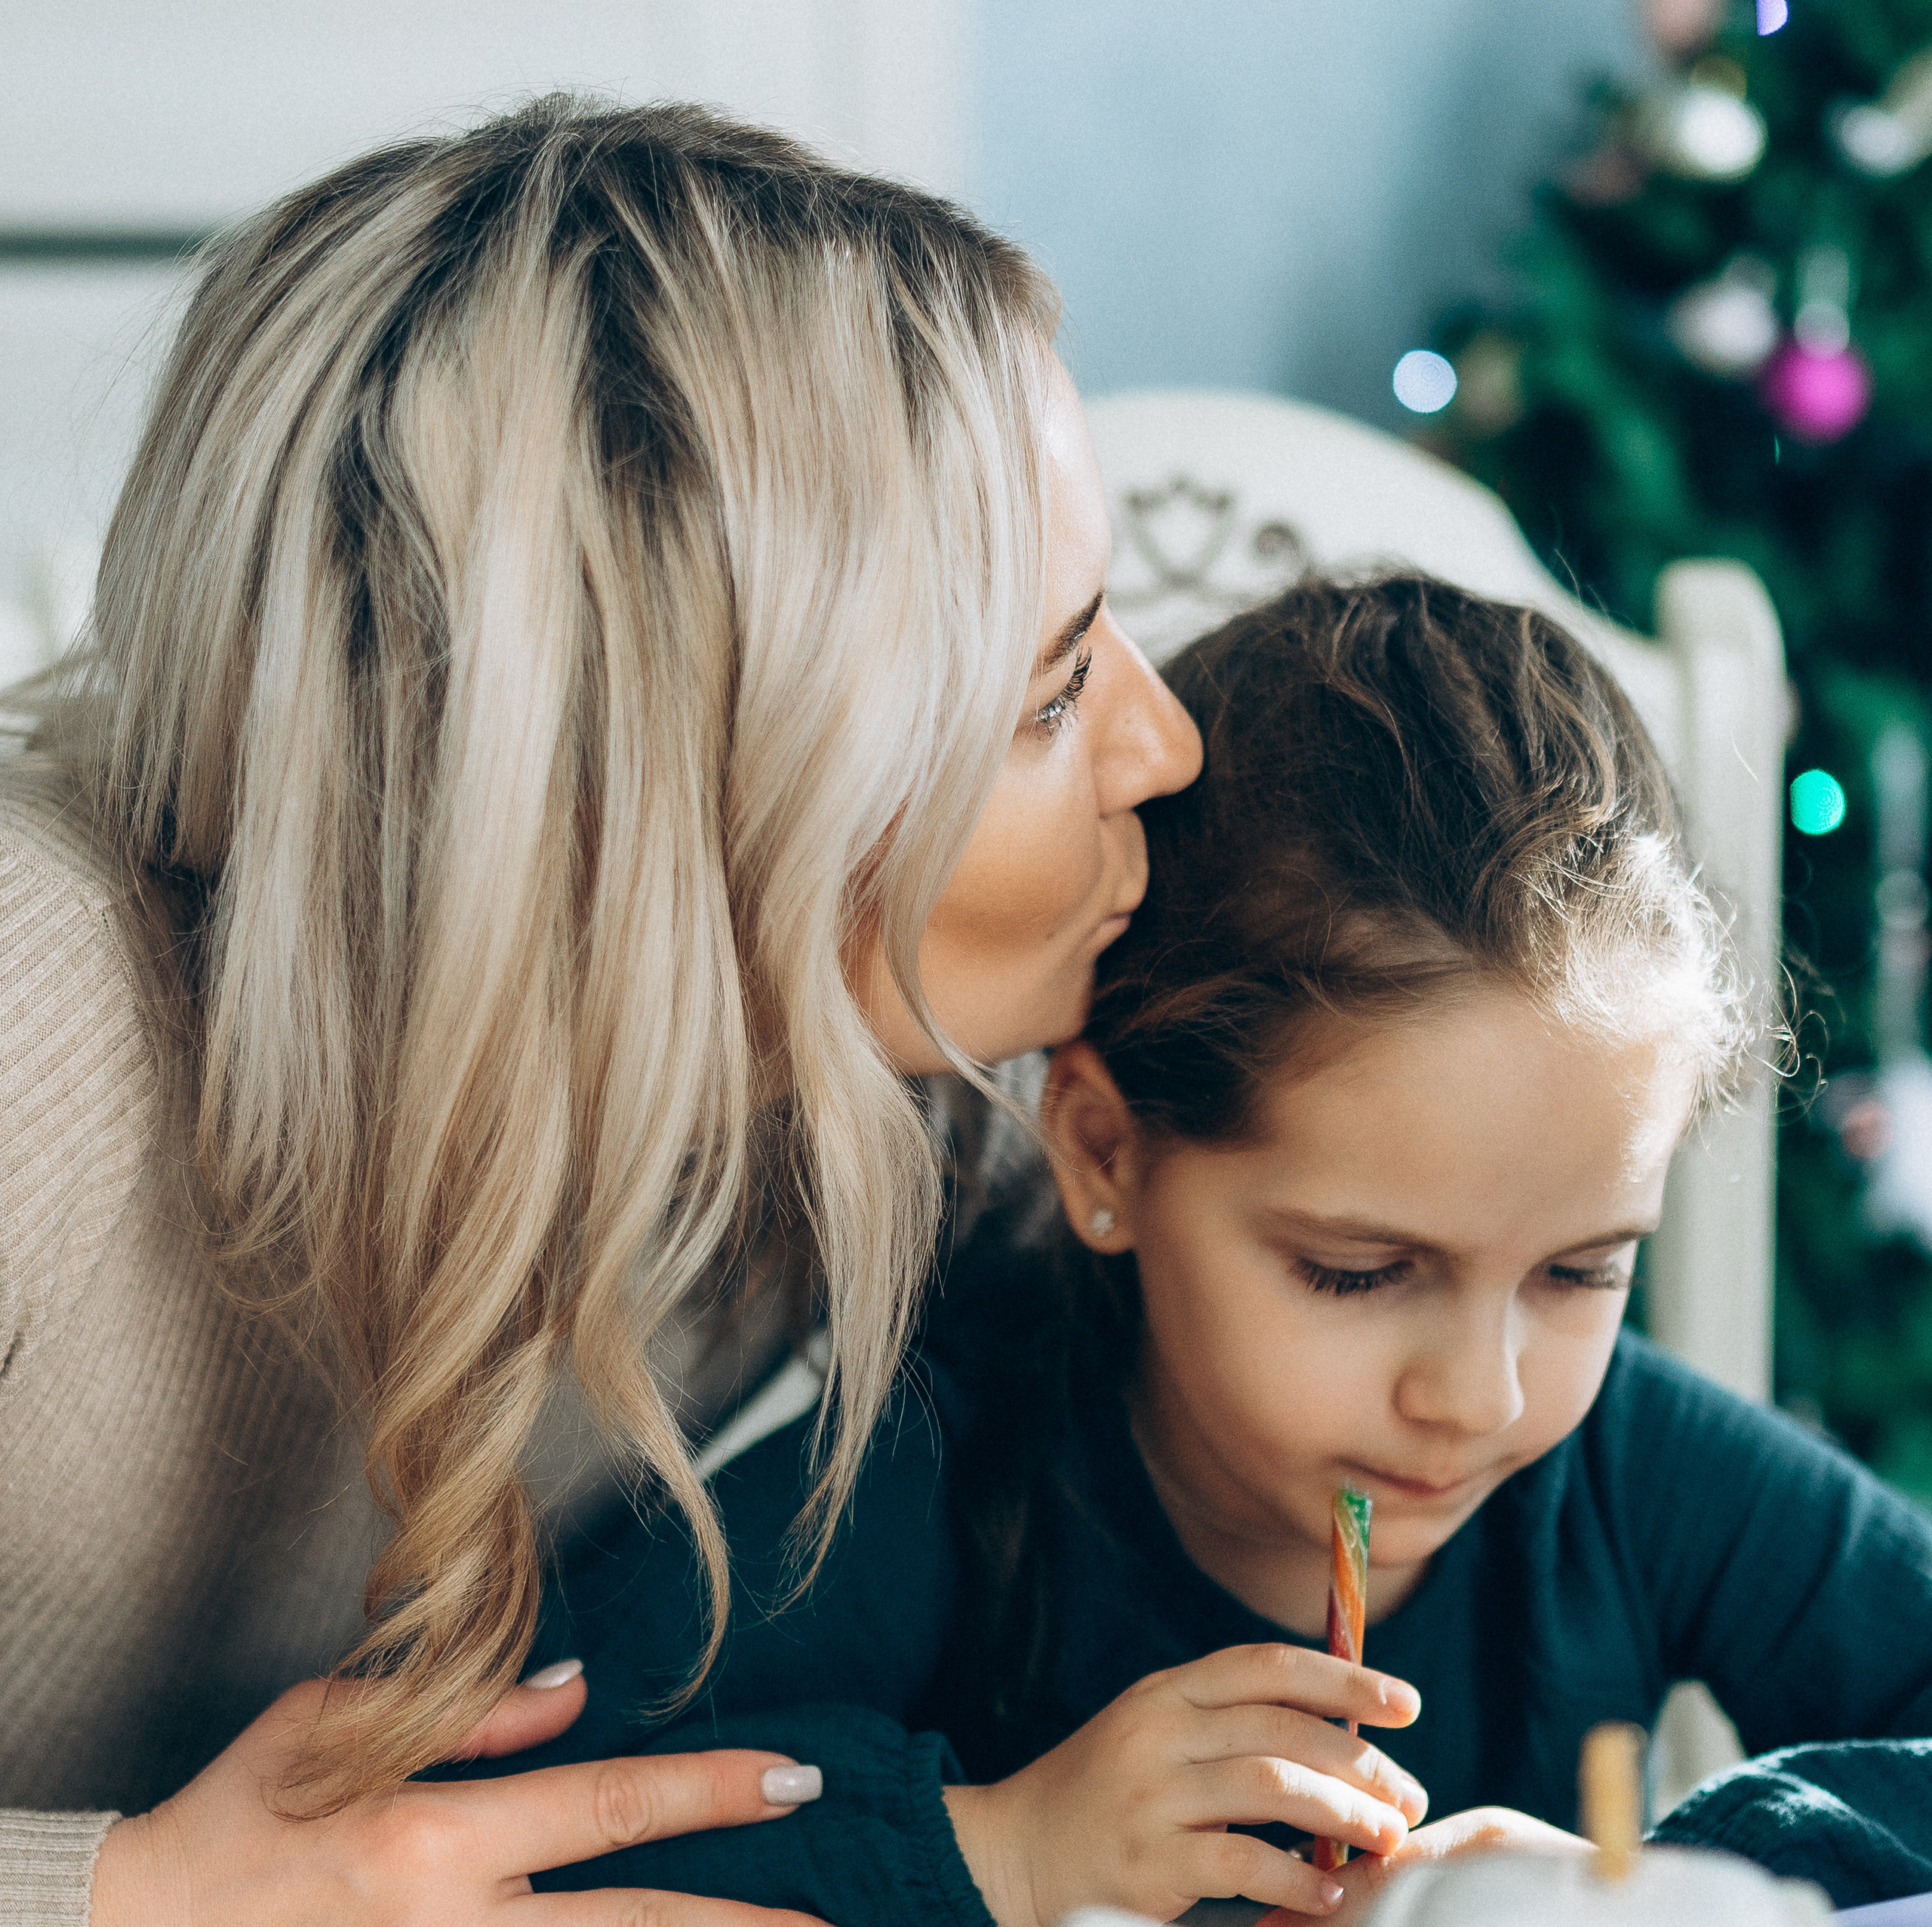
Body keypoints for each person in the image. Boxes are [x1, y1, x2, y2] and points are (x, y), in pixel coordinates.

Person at [0, 96, 1202, 1925]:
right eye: (1046, 694)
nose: (1163, 742)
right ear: (657, 801)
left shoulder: (864, 1104)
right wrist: (140, 1894)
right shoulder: (36, 1014)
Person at [502, 575, 1932, 1927]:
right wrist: (997, 1848)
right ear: (1107, 1157)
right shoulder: (916, 1477)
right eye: (1357, 1274)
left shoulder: (1630, 1467)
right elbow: (486, 1827)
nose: (1480, 1398)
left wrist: (1660, 1878)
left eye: (1582, 1272)